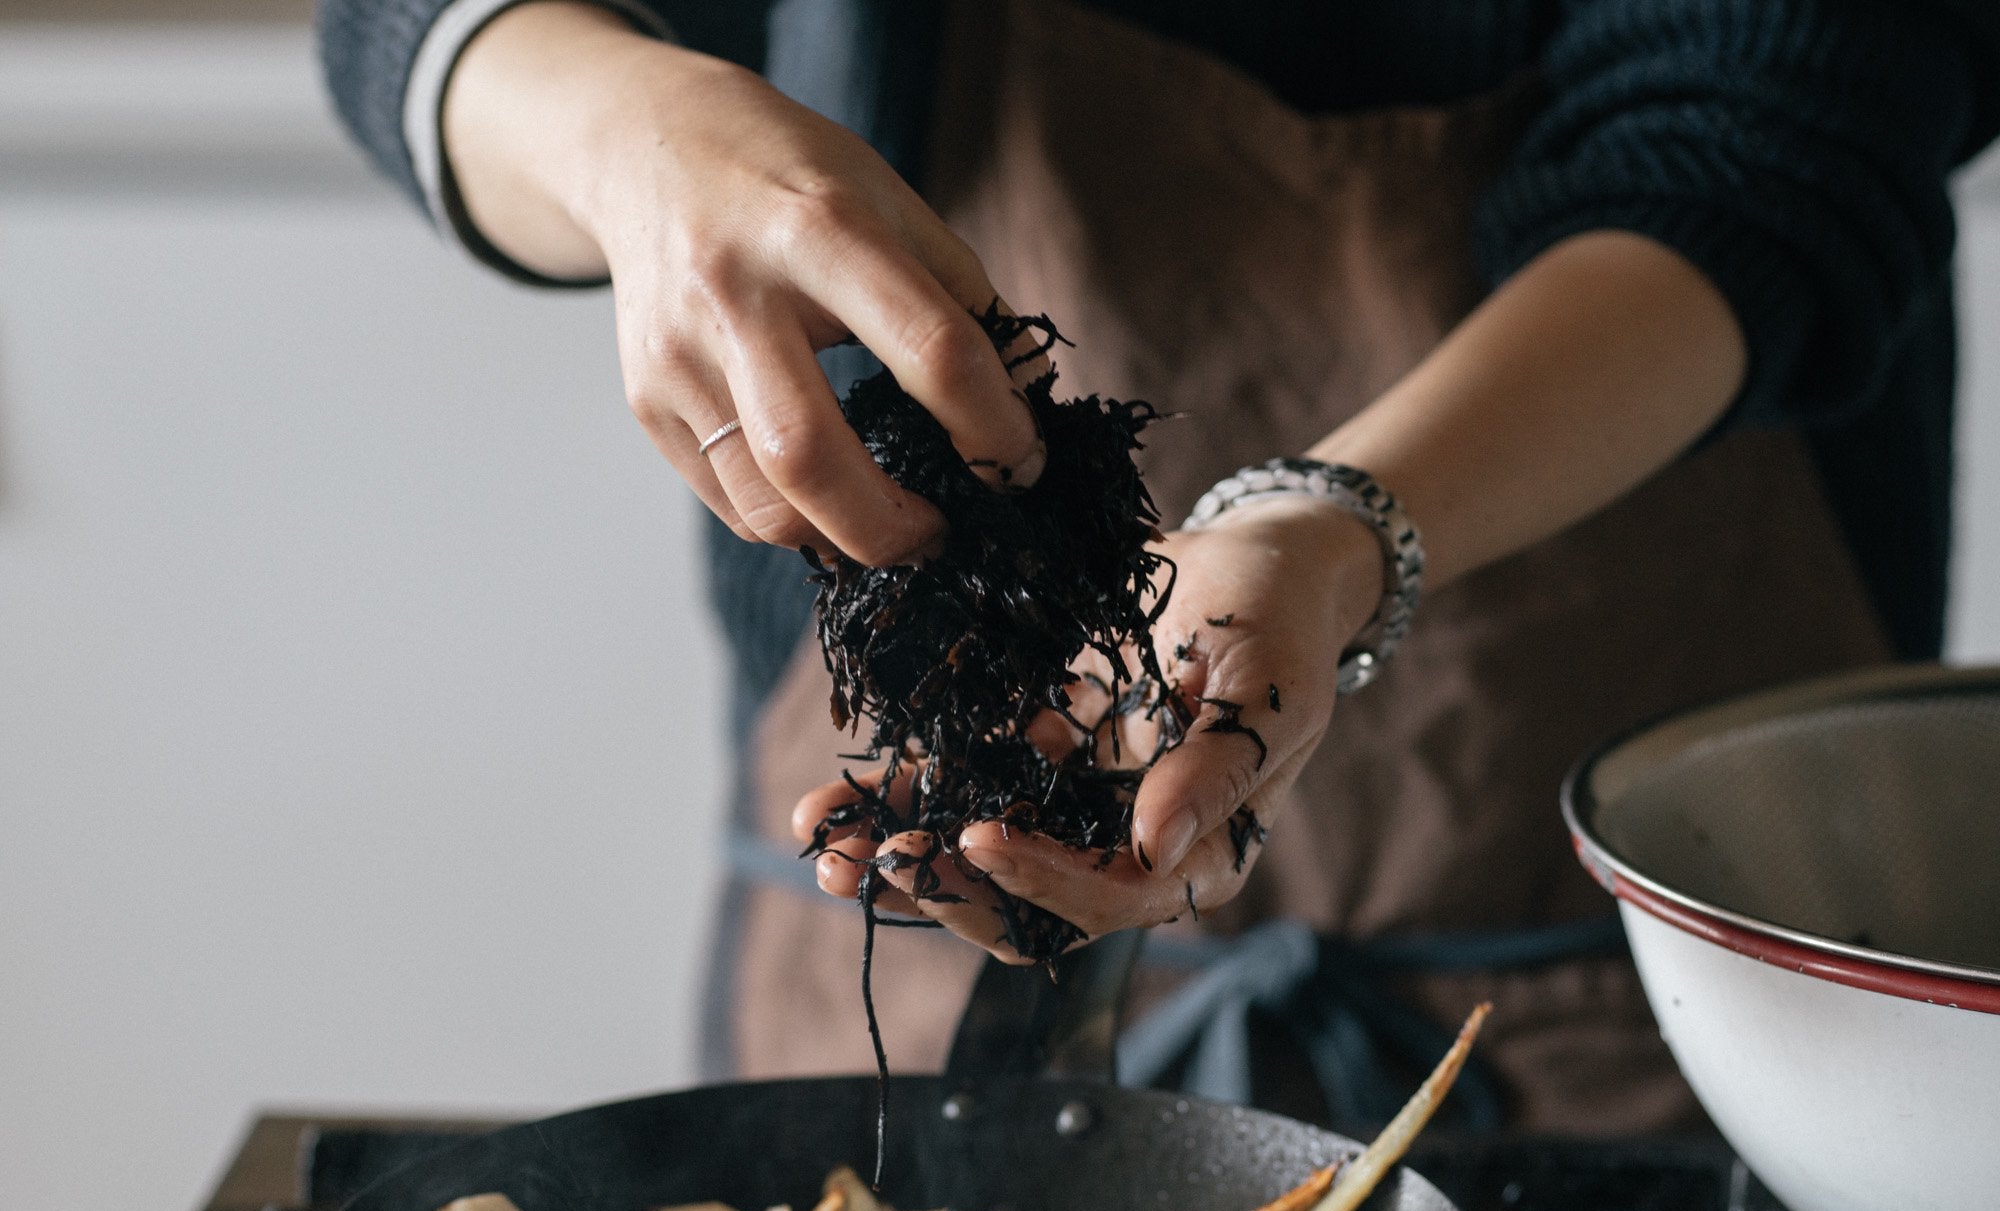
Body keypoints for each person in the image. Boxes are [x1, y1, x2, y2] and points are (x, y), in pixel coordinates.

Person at [318, 0, 2000, 1132]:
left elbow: (1759, 150)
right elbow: (411, 33)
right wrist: (628, 127)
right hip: (925, 932)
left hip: (1652, 984)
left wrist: (1320, 529)